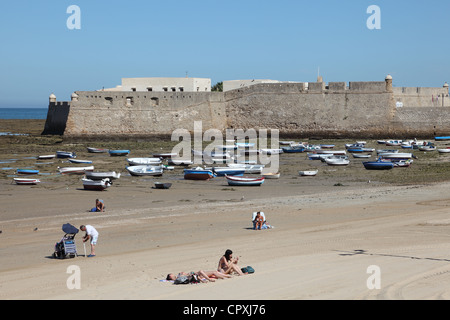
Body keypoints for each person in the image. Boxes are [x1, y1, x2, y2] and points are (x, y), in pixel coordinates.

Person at [166, 270, 231, 283]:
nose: (172, 274)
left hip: (197, 274)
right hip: (197, 275)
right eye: (171, 275)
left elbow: (187, 274)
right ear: (170, 277)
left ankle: (226, 276)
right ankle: (225, 277)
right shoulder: (178, 279)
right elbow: (188, 276)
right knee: (213, 273)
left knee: (214, 272)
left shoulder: (179, 275)